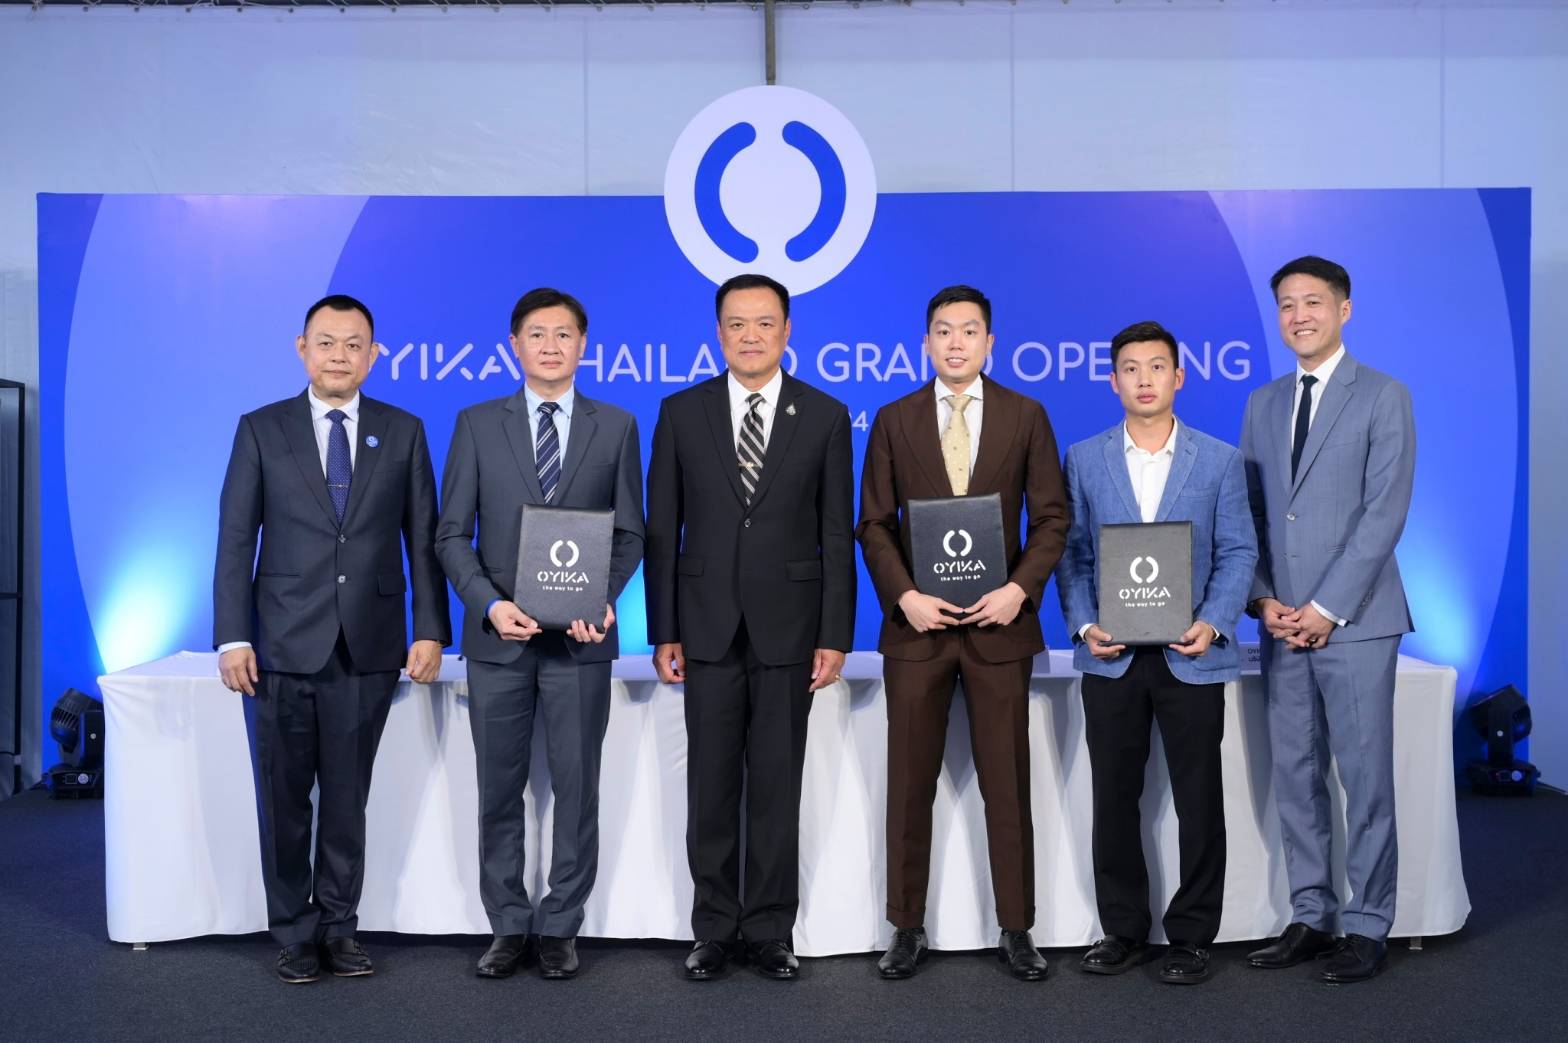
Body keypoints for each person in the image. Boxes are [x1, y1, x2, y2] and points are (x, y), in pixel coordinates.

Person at [214, 293, 450, 984]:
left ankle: (340, 927)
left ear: (373, 355)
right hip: (280, 646)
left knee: (347, 801)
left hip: (367, 645)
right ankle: (294, 931)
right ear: (302, 348)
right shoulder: (262, 428)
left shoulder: (403, 430)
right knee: (285, 800)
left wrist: (430, 628)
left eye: (353, 345)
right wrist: (232, 636)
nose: (339, 356)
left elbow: (423, 539)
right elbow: (236, 538)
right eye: (326, 342)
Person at [644, 273, 855, 982]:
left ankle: (768, 928)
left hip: (790, 630)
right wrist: (664, 627)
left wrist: (834, 633)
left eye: (765, 323)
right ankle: (712, 927)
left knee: (775, 785)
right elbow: (663, 529)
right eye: (737, 323)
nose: (751, 335)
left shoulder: (824, 415)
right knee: (709, 787)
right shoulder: (681, 411)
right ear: (718, 332)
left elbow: (835, 532)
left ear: (787, 331)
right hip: (704, 627)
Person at [856, 284, 1068, 981]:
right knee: (908, 783)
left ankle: (1017, 927)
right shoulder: (894, 419)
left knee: (1007, 785)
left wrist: (1018, 590)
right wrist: (904, 596)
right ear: (925, 342)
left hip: (998, 628)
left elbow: (1052, 518)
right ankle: (905, 926)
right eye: (943, 330)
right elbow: (873, 523)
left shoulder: (1025, 415)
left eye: (969, 330)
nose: (955, 342)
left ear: (990, 342)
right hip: (917, 631)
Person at [435, 287, 644, 981]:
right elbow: (450, 534)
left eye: (563, 334)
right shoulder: (475, 423)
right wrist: (489, 605)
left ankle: (559, 926)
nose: (550, 346)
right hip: (499, 640)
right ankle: (507, 924)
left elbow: (630, 532)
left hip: (581, 643)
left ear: (583, 345)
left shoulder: (616, 426)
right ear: (514, 345)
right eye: (536, 334)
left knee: (577, 790)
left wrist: (604, 599)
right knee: (498, 788)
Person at [1056, 320, 1257, 985]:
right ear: (1113, 381)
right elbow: (1072, 554)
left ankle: (1193, 936)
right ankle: (1123, 930)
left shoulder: (1220, 459)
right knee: (1114, 796)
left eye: (1157, 367)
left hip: (1191, 653)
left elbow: (1238, 551)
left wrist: (1214, 622)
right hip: (1110, 654)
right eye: (1131, 368)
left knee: (1200, 799)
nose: (1144, 379)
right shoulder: (1083, 458)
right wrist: (1085, 624)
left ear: (1179, 376)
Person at [1239, 256, 1415, 984]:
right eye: (1287, 304)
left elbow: (1383, 514)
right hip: (1281, 624)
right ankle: (1311, 914)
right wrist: (1262, 599)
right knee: (1296, 775)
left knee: (1365, 779)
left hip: (1357, 621)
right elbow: (1248, 513)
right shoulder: (1263, 402)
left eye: (1313, 302)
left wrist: (1325, 608)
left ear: (1345, 309)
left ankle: (1368, 923)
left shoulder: (1383, 395)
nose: (1299, 315)